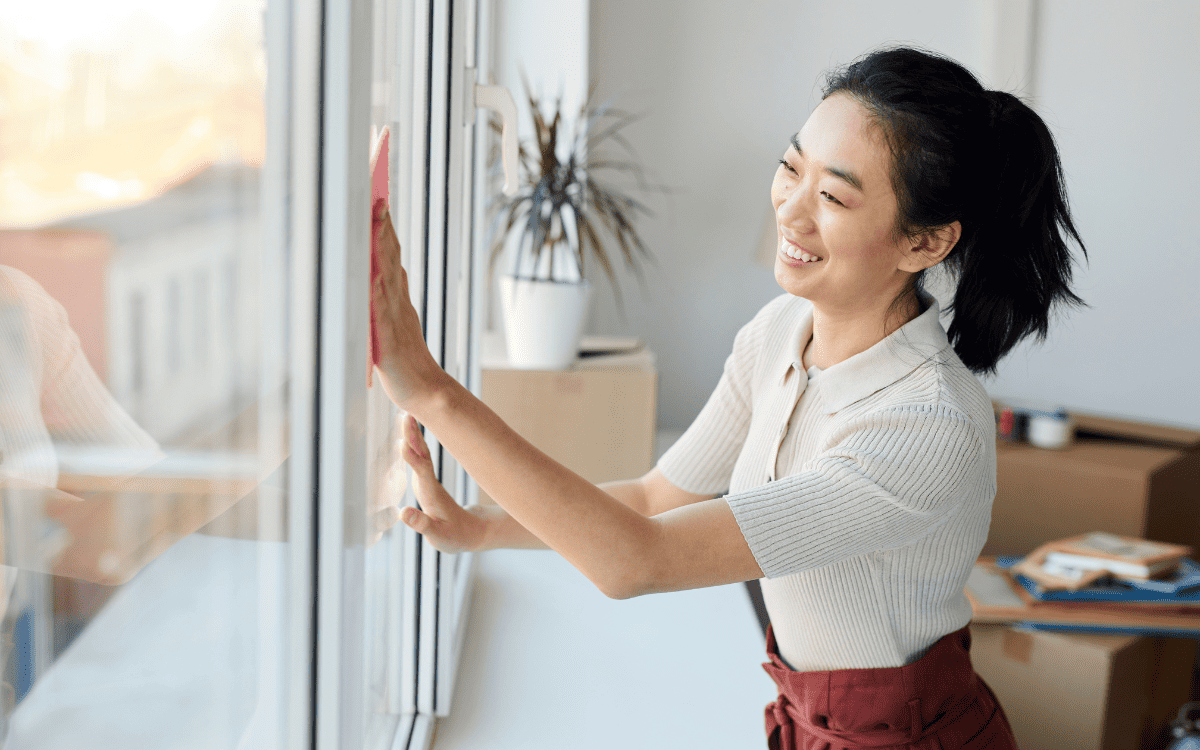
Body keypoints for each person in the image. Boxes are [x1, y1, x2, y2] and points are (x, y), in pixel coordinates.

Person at [370, 46, 1086, 749]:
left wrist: (430, 391)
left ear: (925, 244)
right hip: (807, 720)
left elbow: (637, 559)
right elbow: (655, 501)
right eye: (790, 167)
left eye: (833, 196)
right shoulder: (780, 330)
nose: (791, 211)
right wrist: (483, 528)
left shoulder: (925, 424)